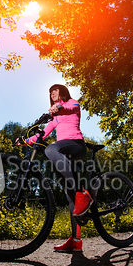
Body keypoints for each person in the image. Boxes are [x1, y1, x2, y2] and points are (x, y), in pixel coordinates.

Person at [17, 84, 93, 252]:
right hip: (64, 153)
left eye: (55, 90)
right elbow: (42, 134)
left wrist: (58, 107)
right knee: (69, 195)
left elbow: (71, 108)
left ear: (63, 92)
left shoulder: (71, 103)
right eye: (50, 92)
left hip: (76, 145)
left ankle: (83, 195)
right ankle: (76, 240)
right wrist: (25, 140)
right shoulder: (55, 118)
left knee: (51, 149)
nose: (52, 93)